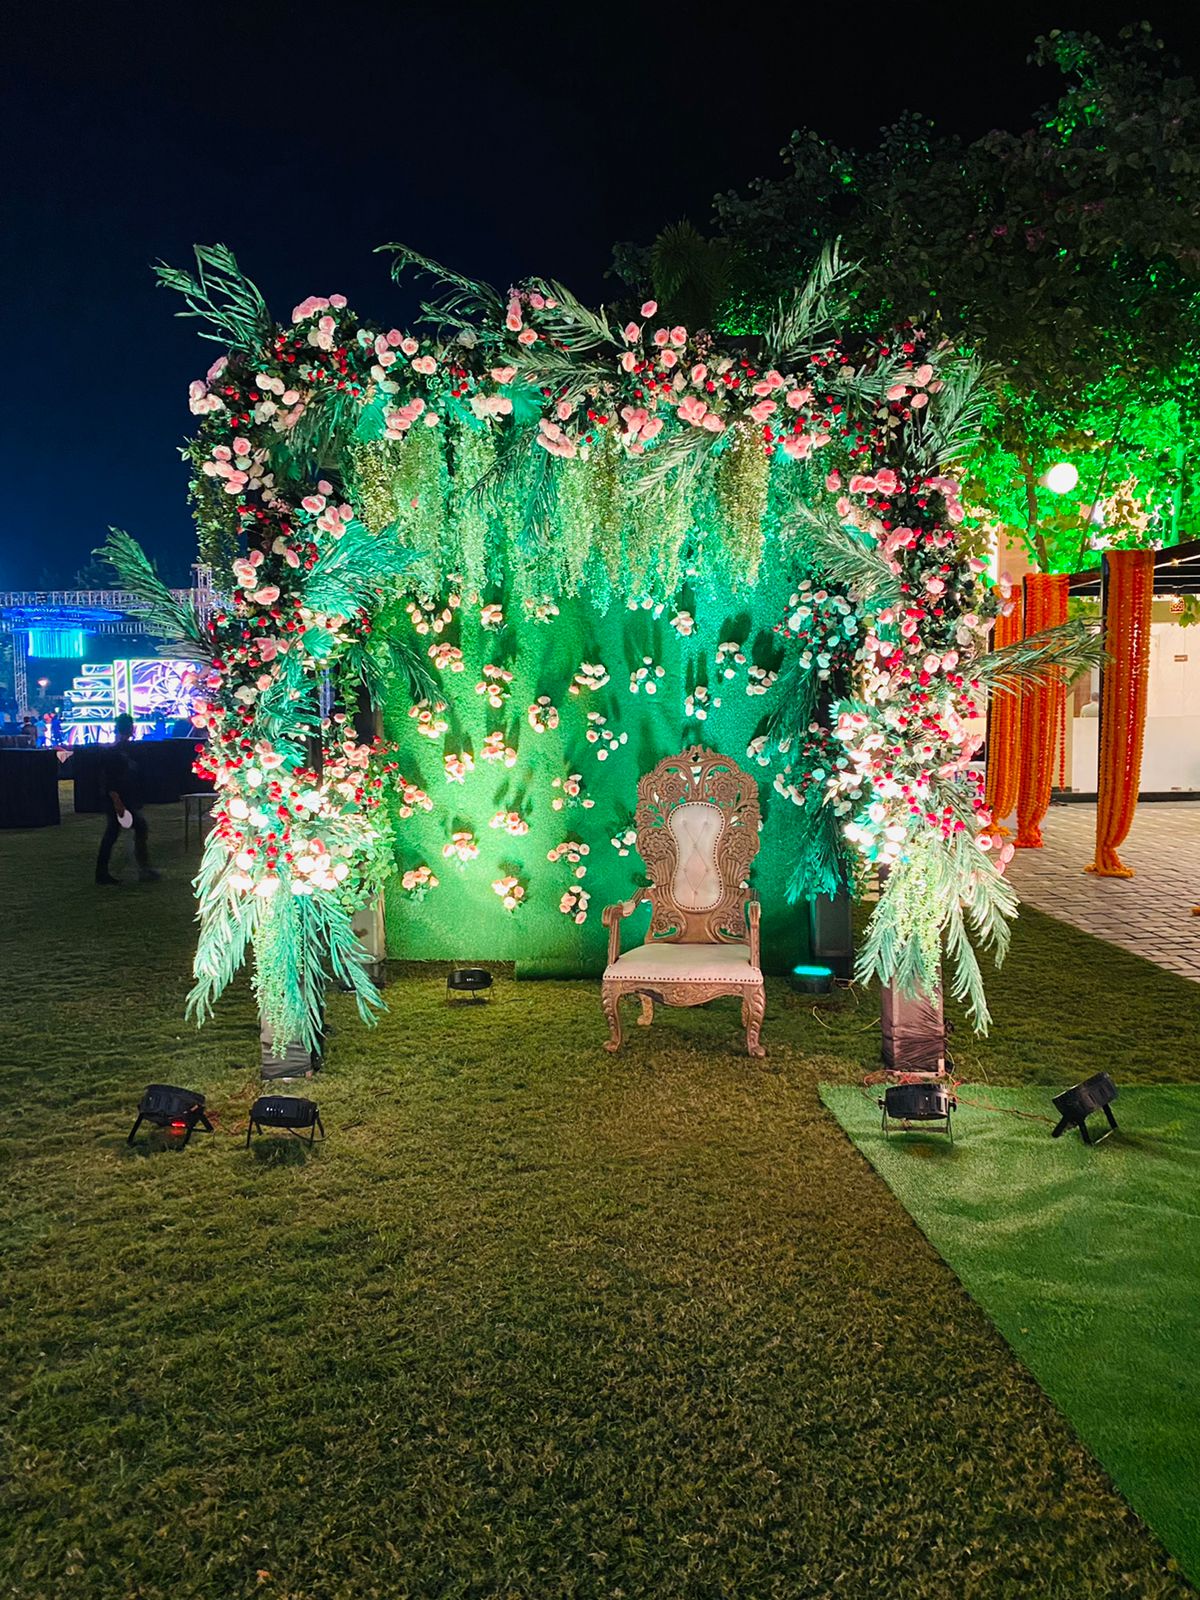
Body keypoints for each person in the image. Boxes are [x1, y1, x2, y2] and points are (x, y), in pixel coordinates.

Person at [95, 714, 160, 886]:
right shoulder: (118, 752)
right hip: (119, 799)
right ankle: (142, 868)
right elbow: (111, 780)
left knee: (117, 832)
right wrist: (117, 801)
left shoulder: (118, 750)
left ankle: (104, 872)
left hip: (121, 798)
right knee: (125, 830)